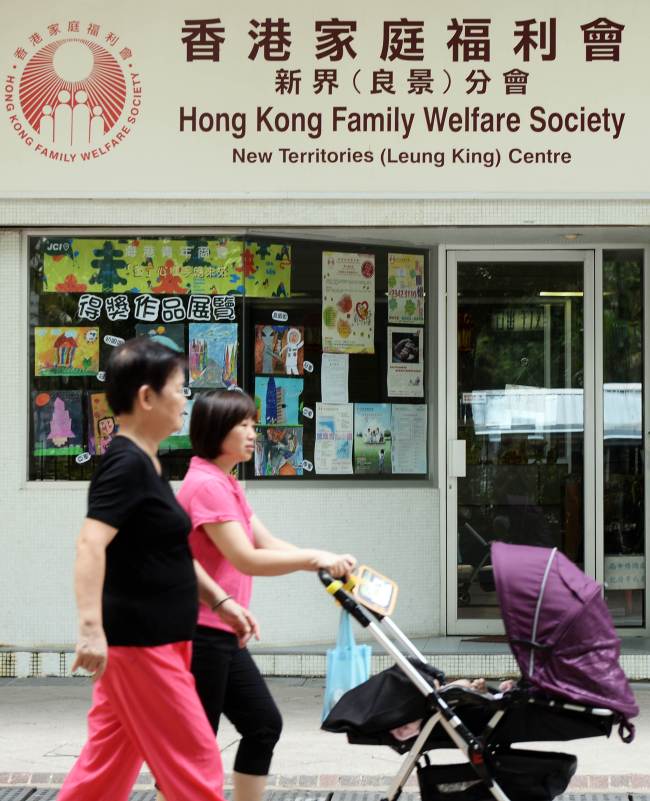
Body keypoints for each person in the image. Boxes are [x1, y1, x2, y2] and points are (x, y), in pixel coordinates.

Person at [58, 338, 258, 801]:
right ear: (147, 397)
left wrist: (220, 602)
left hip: (160, 640)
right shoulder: (124, 463)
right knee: (196, 762)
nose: (186, 398)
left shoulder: (146, 461)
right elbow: (90, 543)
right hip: (142, 646)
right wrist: (90, 629)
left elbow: (169, 553)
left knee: (105, 768)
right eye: (180, 389)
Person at [157, 389, 356, 801]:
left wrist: (324, 559)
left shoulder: (224, 482)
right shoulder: (205, 486)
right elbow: (245, 558)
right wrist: (314, 559)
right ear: (216, 430)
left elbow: (265, 543)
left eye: (252, 423)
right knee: (194, 748)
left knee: (263, 725)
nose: (253, 433)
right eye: (243, 425)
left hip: (223, 633)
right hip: (199, 634)